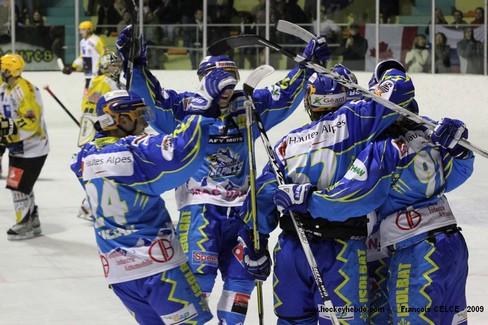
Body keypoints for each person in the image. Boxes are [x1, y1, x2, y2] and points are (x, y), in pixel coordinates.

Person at [116, 24, 330, 324]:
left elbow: (284, 94)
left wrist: (306, 66)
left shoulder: (249, 106)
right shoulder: (183, 108)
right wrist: (136, 67)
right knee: (197, 281)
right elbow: (150, 101)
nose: (227, 88)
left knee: (241, 280)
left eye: (232, 79)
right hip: (201, 211)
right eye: (219, 79)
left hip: (243, 212)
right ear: (203, 80)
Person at [238, 63, 417, 324]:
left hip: (291, 250)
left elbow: (261, 197)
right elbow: (400, 90)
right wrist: (388, 74)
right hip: (340, 252)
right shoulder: (355, 119)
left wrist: (257, 246)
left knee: (291, 321)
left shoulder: (289, 142)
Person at [276, 109, 474, 324]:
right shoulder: (428, 133)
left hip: (416, 251)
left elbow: (352, 199)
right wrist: (462, 151)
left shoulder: (382, 148)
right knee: (453, 318)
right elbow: (455, 176)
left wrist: (307, 199)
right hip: (452, 244)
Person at [71, 89, 216, 325]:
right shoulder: (131, 152)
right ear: (122, 119)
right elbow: (184, 152)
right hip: (159, 268)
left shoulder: (82, 158)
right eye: (139, 114)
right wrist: (197, 116)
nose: (145, 121)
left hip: (119, 274)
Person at [0, 53, 49, 240]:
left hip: (32, 147)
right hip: (18, 146)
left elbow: (32, 122)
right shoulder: (5, 87)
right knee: (21, 185)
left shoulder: (24, 90)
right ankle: (32, 220)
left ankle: (26, 223)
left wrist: (8, 129)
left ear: (9, 70)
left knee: (17, 186)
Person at [76, 51, 124, 221]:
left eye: (118, 65)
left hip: (109, 129)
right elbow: (91, 108)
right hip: (101, 131)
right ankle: (89, 206)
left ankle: (90, 205)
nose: (116, 68)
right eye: (112, 65)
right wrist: (101, 128)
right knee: (100, 167)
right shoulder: (101, 81)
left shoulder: (116, 82)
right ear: (104, 66)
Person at [62, 20, 105, 92]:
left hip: (97, 75)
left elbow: (103, 54)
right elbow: (83, 57)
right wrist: (72, 67)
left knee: (93, 99)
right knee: (88, 98)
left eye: (82, 30)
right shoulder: (82, 42)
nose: (80, 32)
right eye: (80, 30)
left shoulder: (96, 40)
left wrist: (101, 68)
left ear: (89, 30)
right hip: (88, 75)